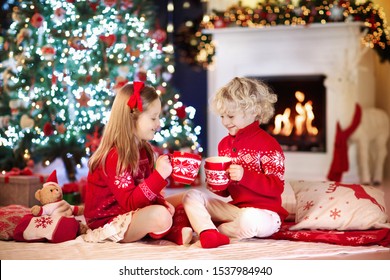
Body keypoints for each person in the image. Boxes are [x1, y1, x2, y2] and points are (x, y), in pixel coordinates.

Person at [182, 77, 288, 249]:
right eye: (222, 116)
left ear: (254, 111)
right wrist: (217, 187)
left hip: (265, 214)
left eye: (230, 116)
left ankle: (210, 230)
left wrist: (245, 176)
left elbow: (276, 187)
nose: (225, 122)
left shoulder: (269, 145)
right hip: (236, 210)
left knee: (249, 220)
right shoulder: (224, 144)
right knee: (192, 196)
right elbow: (228, 191)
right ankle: (210, 232)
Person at [83, 81, 192, 245]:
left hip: (136, 211)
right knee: (160, 215)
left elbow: (147, 194)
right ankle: (171, 229)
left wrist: (162, 201)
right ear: (131, 119)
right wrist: (159, 175)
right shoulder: (114, 157)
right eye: (153, 118)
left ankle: (176, 229)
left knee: (188, 197)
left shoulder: (144, 149)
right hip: (110, 221)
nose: (159, 124)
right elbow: (130, 203)